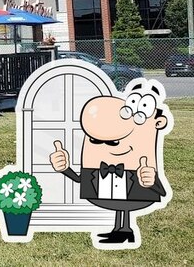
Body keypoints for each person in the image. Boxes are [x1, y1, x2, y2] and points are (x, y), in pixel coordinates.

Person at [50, 79, 171, 246]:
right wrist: (64, 168)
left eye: (113, 142)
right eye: (95, 140)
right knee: (120, 206)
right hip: (108, 191)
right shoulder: (96, 168)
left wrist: (151, 181)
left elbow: (161, 192)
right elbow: (80, 180)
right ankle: (121, 230)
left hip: (133, 187)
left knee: (125, 205)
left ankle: (125, 230)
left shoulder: (141, 162)